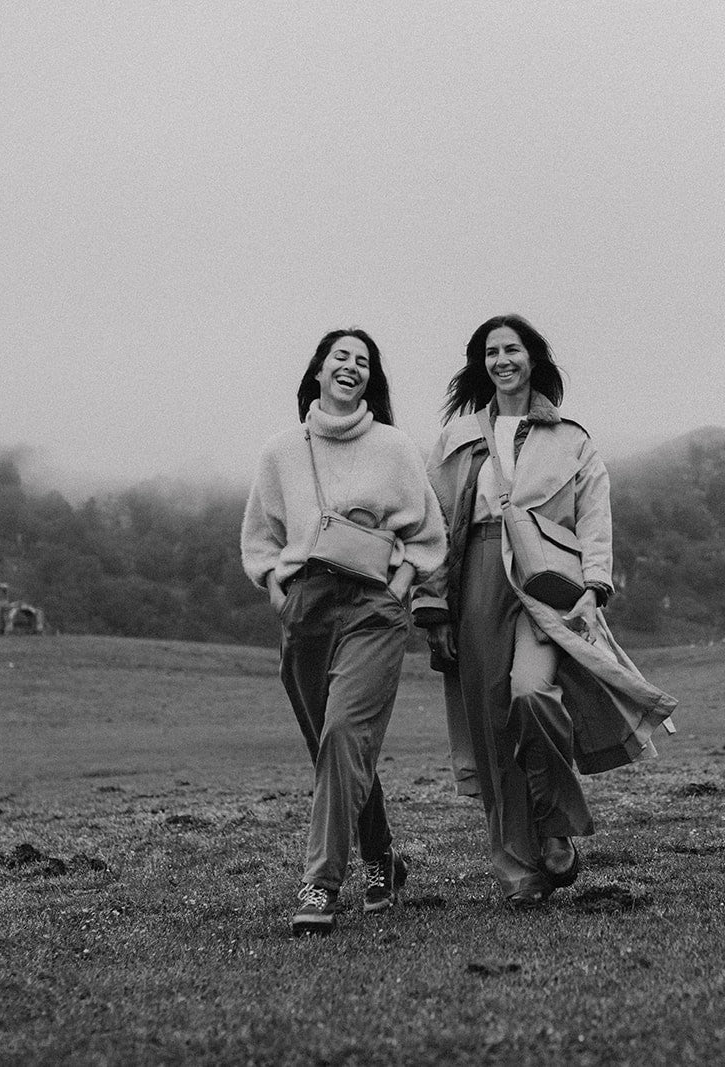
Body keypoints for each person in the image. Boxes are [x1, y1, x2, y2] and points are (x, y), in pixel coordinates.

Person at [413, 314, 676, 906]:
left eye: (512, 349)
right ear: (481, 364)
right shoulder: (455, 440)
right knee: (490, 727)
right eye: (491, 352)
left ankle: (556, 825)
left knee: (532, 696)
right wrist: (433, 609)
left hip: (542, 586)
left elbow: (594, 515)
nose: (502, 359)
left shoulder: (572, 439)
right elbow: (432, 526)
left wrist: (595, 584)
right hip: (474, 579)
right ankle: (518, 872)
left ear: (533, 358)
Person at [241, 328, 446, 936]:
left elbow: (429, 533)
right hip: (305, 606)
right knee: (332, 747)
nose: (351, 367)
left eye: (363, 361)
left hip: (373, 607)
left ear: (371, 379)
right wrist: (276, 591)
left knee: (342, 734)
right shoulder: (282, 451)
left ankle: (320, 884)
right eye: (341, 357)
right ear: (319, 371)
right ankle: (383, 858)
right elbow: (261, 535)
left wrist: (401, 584)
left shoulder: (394, 447)